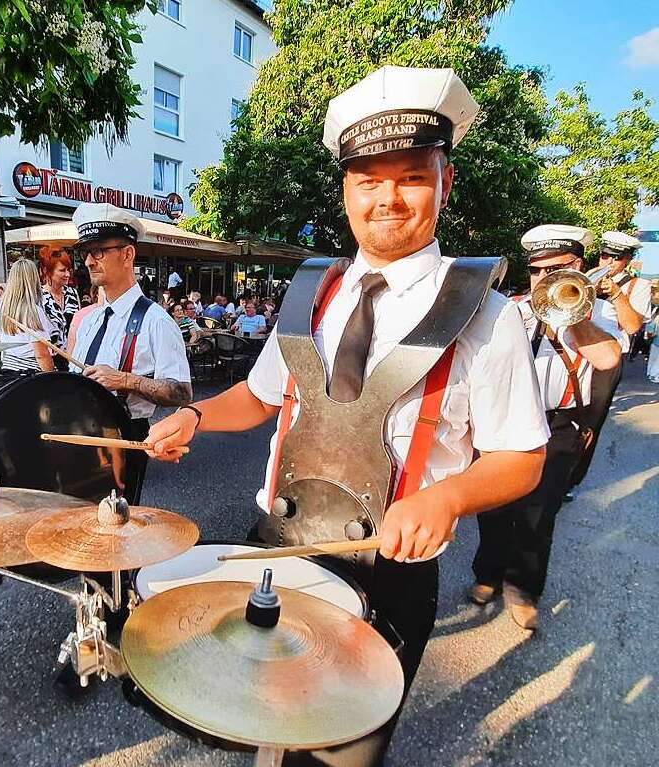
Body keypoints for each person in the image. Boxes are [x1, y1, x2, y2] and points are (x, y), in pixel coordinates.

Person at [145, 66, 549, 766]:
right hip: (275, 546)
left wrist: (448, 496)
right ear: (346, 191)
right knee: (258, 717)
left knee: (338, 756)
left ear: (444, 183)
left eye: (412, 176)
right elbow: (261, 396)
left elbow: (523, 456)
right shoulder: (313, 296)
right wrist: (197, 418)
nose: (387, 198)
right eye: (368, 179)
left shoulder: (486, 313)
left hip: (387, 577)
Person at [471, 225, 621, 629]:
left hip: (559, 425)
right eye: (537, 271)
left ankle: (523, 589)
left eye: (556, 269)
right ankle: (487, 574)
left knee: (538, 514)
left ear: (578, 267)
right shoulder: (513, 309)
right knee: (493, 506)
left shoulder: (597, 311)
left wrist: (573, 319)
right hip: (507, 419)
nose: (545, 279)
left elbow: (608, 360)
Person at [70, 202, 192, 503]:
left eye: (98, 251)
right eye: (85, 253)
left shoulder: (156, 321)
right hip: (76, 434)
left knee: (116, 530)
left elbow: (181, 392)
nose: (88, 261)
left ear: (128, 254)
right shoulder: (91, 320)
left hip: (123, 439)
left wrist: (126, 380)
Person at [567, 231, 650, 500]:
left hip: (607, 362)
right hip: (576, 351)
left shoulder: (638, 286)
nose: (609, 261)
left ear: (626, 260)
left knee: (590, 422)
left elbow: (633, 326)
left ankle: (571, 478)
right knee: (562, 412)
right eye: (605, 255)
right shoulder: (590, 275)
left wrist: (617, 295)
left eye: (616, 258)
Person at [0, 258, 56, 372]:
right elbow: (41, 354)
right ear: (33, 279)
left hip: (8, 368)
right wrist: (52, 377)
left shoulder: (1, 305)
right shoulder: (34, 311)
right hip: (31, 373)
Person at [40, 248, 81, 347]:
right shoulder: (38, 297)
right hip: (50, 357)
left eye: (68, 270)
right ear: (47, 271)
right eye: (62, 270)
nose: (67, 274)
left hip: (74, 355)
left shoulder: (72, 293)